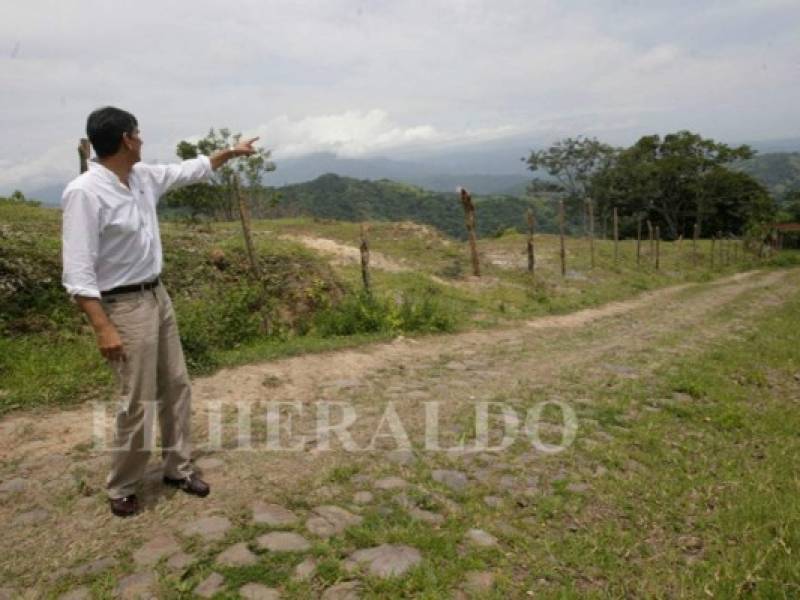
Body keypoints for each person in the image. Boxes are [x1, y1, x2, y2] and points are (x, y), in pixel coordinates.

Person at [61, 106, 258, 517]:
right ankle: (123, 485)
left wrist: (231, 153)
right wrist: (103, 327)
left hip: (157, 296)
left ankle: (177, 467)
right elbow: (77, 272)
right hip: (123, 305)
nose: (143, 139)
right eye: (138, 133)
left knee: (176, 385)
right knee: (137, 400)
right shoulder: (85, 192)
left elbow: (192, 169)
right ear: (126, 140)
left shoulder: (142, 178)